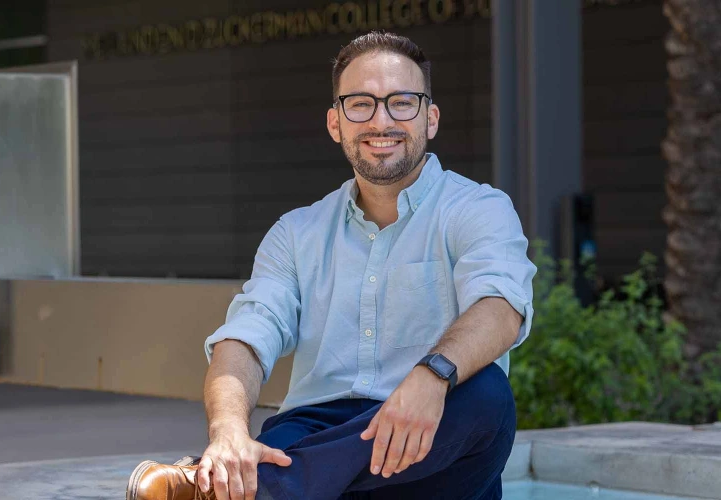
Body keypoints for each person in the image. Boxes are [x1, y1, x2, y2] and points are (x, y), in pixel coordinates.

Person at [126, 30, 536, 500]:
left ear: (431, 118)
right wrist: (228, 433)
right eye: (360, 104)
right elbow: (245, 337)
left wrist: (430, 377)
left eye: (402, 102)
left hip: (432, 451)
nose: (381, 120)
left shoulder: (480, 208)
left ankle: (231, 491)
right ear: (335, 122)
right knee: (282, 447)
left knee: (487, 395)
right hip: (316, 433)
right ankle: (270, 484)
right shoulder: (296, 232)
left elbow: (501, 306)